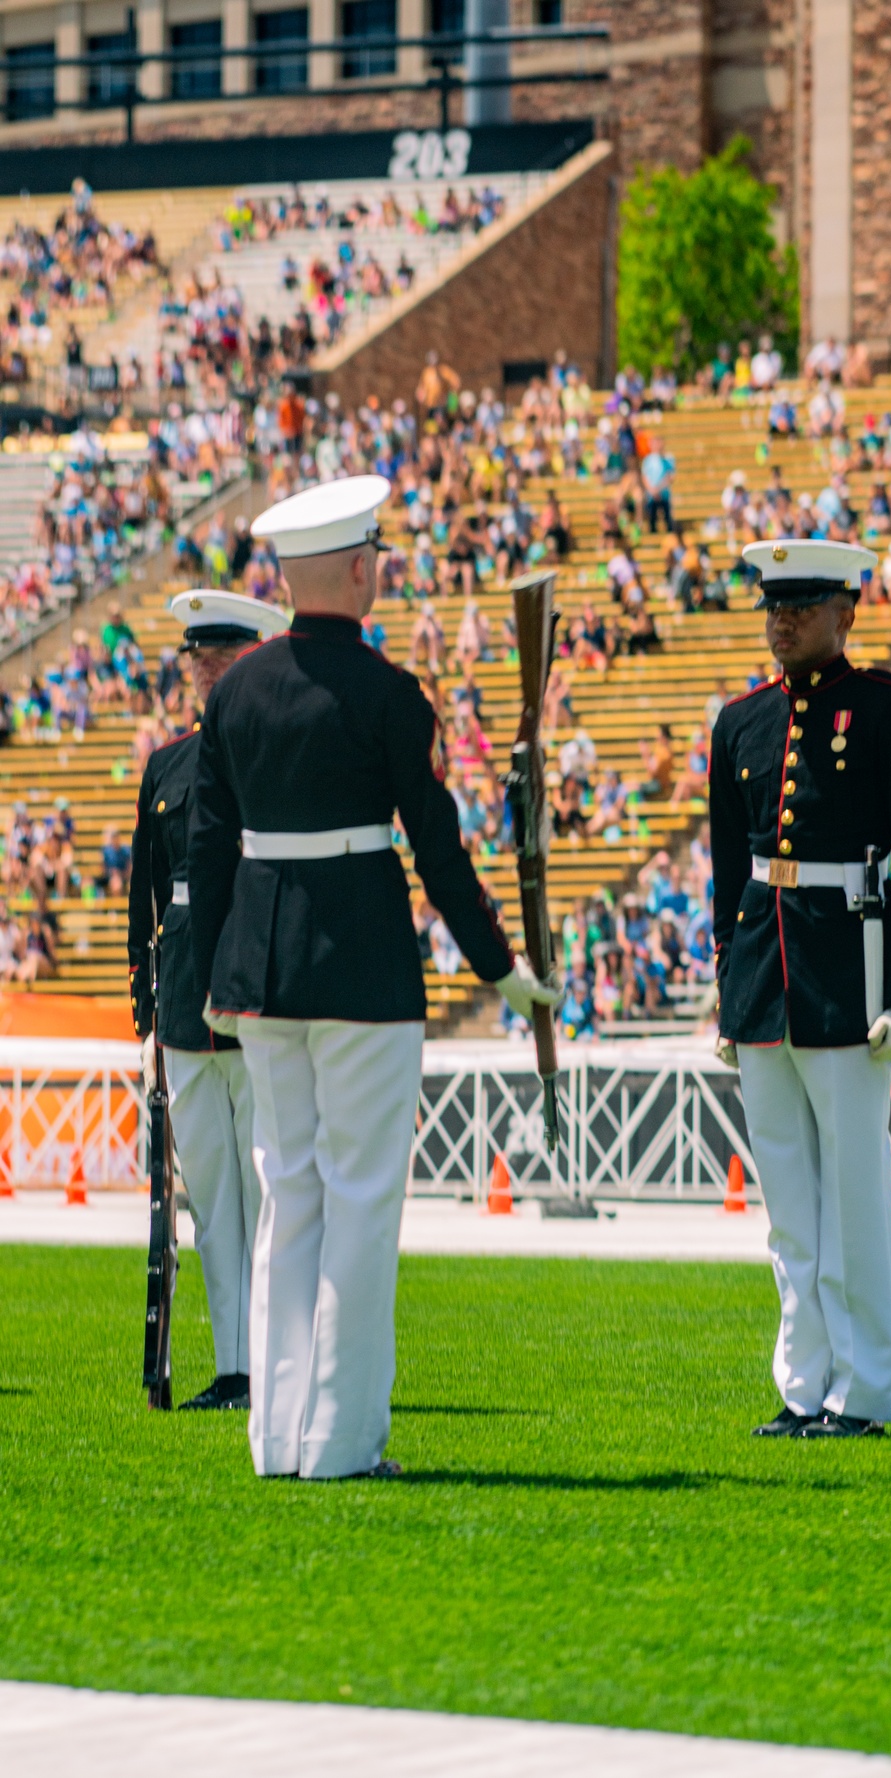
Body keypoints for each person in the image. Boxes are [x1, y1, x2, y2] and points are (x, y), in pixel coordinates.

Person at [186, 475, 559, 1481]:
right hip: (356, 962)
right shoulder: (391, 693)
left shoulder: (232, 693)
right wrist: (502, 967)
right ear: (358, 568)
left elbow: (210, 853)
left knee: (289, 1197)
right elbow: (435, 850)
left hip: (258, 974)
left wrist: (207, 986)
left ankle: (278, 1437)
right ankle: (341, 1439)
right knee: (357, 1200)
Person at [710, 538, 891, 1440]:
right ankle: (803, 1382)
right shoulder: (739, 723)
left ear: (848, 611)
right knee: (787, 1206)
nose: (784, 619)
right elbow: (727, 869)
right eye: (774, 603)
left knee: (852, 1198)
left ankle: (864, 1391)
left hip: (850, 967)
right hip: (764, 974)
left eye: (804, 604)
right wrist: (729, 990)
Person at [128, 589, 290, 1413]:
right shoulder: (168, 763)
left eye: (221, 659)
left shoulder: (271, 753)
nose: (207, 673)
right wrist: (144, 998)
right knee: (213, 1202)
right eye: (199, 660)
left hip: (252, 993)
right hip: (188, 1000)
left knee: (267, 1192)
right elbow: (145, 892)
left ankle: (276, 1359)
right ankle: (234, 1367)